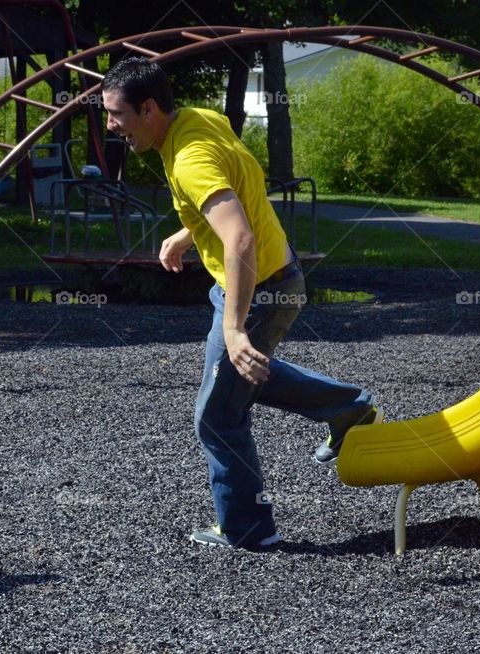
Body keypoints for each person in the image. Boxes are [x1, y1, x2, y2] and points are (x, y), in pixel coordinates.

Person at [101, 57, 381, 549]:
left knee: (218, 415)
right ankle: (349, 408)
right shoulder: (197, 120)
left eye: (116, 114)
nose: (110, 125)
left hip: (256, 290)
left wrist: (232, 330)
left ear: (147, 108)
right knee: (238, 382)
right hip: (266, 280)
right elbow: (235, 188)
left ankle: (248, 529)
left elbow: (241, 241)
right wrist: (188, 234)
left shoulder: (188, 159)